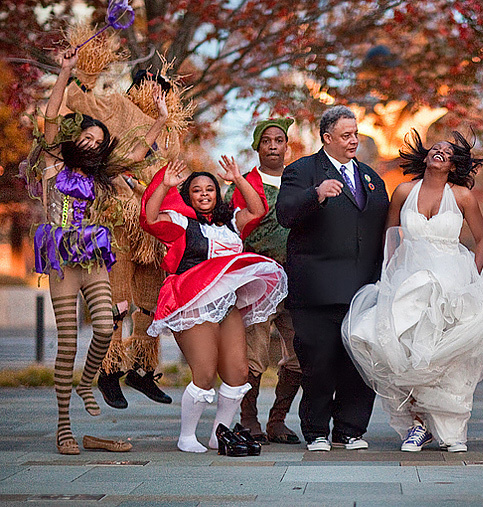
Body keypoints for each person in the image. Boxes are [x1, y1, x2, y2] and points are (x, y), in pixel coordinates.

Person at [24, 47, 162, 455]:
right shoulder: (52, 161)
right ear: (75, 136)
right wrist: (66, 71)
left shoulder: (100, 172)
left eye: (99, 141)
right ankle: (64, 426)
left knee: (104, 327)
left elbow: (137, 154)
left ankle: (88, 382)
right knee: (67, 341)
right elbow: (50, 115)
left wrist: (159, 118)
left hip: (92, 253)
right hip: (61, 257)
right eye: (88, 135)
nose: (93, 142)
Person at [343, 130, 483, 453]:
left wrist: (472, 282)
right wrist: (388, 275)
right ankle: (417, 425)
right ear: (426, 156)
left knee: (447, 355)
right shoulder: (404, 191)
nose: (441, 153)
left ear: (453, 165)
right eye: (436, 148)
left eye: (448, 153)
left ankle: (451, 427)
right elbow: (391, 234)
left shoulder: (462, 196)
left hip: (452, 280)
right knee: (405, 350)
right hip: (409, 278)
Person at [141, 159, 288, 454]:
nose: (205, 194)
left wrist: (238, 178)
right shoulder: (182, 222)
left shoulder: (230, 223)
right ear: (189, 196)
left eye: (210, 189)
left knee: (238, 372)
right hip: (194, 301)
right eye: (197, 190)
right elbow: (150, 219)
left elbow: (258, 210)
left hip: (227, 302)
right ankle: (186, 436)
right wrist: (165, 186)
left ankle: (218, 434)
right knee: (204, 372)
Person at [67, 62, 186, 409]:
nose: (156, 94)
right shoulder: (117, 106)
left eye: (162, 90)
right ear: (136, 88)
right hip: (118, 219)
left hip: (153, 223)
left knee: (150, 302)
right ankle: (109, 370)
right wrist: (79, 72)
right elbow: (80, 100)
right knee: (118, 301)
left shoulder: (170, 129)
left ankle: (143, 369)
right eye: (150, 87)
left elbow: (170, 169)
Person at [276, 105, 390, 452]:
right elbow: (285, 213)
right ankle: (317, 431)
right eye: (346, 135)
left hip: (363, 288)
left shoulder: (371, 176)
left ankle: (350, 429)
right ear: (327, 138)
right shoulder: (302, 171)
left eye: (355, 134)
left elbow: (382, 227)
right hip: (317, 289)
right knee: (319, 361)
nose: (354, 140)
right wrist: (316, 194)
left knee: (359, 361)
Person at [225, 118, 303, 445]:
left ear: (287, 146)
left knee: (301, 350)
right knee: (254, 353)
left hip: (297, 278)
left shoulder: (300, 181)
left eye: (279, 140)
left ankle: (278, 420)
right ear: (257, 147)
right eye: (266, 140)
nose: (273, 146)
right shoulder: (241, 186)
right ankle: (248, 418)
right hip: (256, 278)